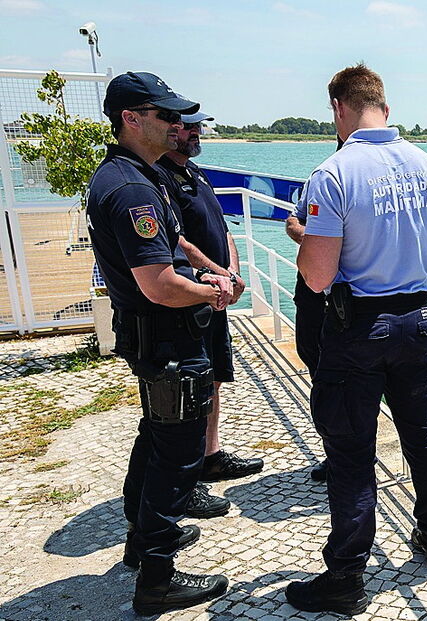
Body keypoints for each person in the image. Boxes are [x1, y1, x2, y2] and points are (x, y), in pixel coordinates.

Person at [285, 64, 427, 616]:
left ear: (339, 107)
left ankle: (345, 577)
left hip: (357, 327)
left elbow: (316, 276)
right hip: (417, 321)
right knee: (423, 434)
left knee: (352, 453)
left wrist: (308, 239)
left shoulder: (333, 174)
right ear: (383, 103)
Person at [86, 71, 229, 615]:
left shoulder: (139, 177)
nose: (177, 125)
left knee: (155, 437)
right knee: (176, 455)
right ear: (131, 119)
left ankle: (139, 543)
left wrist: (212, 271)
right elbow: (158, 283)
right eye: (166, 116)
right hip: (167, 340)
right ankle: (158, 578)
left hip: (159, 338)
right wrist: (211, 295)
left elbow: (175, 244)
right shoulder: (130, 190)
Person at [155, 111, 264, 515]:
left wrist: (232, 273)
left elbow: (224, 227)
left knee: (213, 377)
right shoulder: (159, 175)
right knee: (189, 387)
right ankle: (188, 480)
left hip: (215, 292)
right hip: (194, 295)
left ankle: (209, 457)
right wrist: (218, 276)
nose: (195, 132)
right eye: (187, 126)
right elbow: (177, 242)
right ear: (169, 129)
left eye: (197, 126)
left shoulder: (195, 172)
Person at [284, 137, 344, 483]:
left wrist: (320, 237)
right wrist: (315, 235)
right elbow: (293, 222)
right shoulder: (322, 179)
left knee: (346, 378)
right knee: (314, 364)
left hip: (347, 297)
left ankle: (349, 456)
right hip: (309, 290)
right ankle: (332, 451)